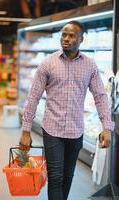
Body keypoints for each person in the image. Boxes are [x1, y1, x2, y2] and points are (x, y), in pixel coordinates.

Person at [19, 21, 114, 200]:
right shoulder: (47, 63)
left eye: (71, 36)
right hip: (52, 130)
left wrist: (106, 127)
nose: (66, 39)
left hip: (76, 131)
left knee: (67, 177)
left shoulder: (90, 65)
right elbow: (33, 97)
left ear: (81, 39)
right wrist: (26, 130)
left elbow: (100, 96)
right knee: (55, 177)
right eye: (64, 35)